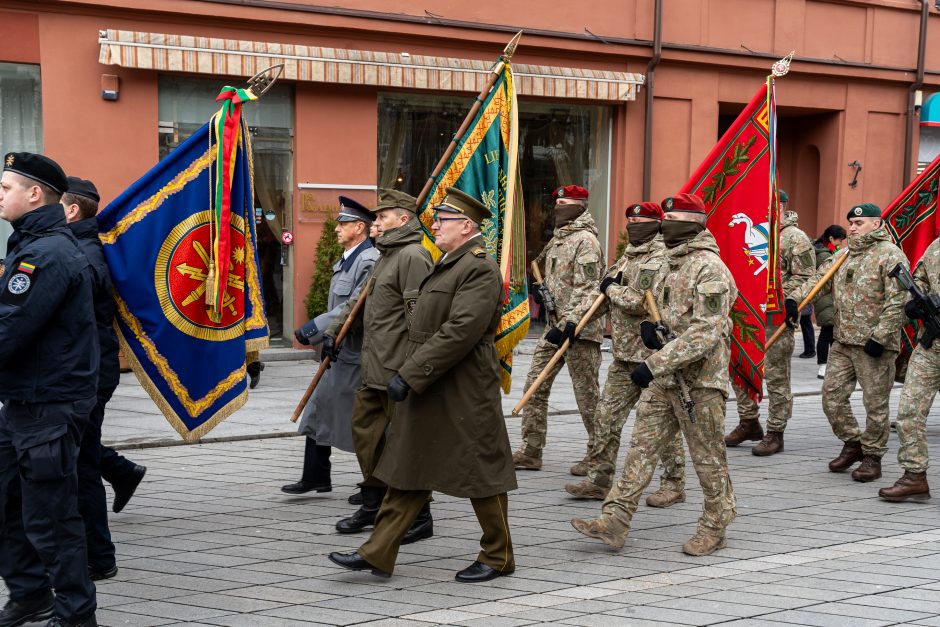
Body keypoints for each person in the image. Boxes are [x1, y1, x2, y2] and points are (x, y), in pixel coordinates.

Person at [328, 188, 516, 582]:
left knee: (481, 471)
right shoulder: (447, 262)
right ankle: (378, 552)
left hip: (463, 388)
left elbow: (459, 332)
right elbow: (421, 325)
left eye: (443, 220)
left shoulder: (479, 268)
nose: (434, 225)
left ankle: (498, 555)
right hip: (430, 382)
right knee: (407, 464)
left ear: (466, 226)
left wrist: (409, 374)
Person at [571, 193, 737, 557]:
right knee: (642, 448)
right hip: (665, 379)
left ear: (694, 222)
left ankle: (715, 524)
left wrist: (655, 362)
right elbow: (655, 307)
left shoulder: (710, 268)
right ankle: (614, 519)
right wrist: (652, 330)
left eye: (676, 216)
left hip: (700, 382)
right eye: (667, 216)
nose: (668, 222)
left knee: (708, 457)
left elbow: (707, 332)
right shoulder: (667, 264)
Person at [0, 153, 99, 626]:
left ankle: (76, 613)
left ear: (34, 194)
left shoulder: (48, 254)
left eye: (5, 188)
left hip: (49, 405)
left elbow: (10, 327)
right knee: (7, 502)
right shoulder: (32, 244)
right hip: (24, 399)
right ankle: (30, 592)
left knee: (51, 517)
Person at [564, 202, 686, 508]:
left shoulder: (661, 258)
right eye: (630, 221)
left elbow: (644, 301)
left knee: (662, 426)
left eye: (640, 221)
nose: (633, 226)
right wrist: (572, 322)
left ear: (656, 224)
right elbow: (599, 297)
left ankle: (673, 484)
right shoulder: (626, 258)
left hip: (652, 358)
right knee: (606, 418)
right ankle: (599, 480)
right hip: (622, 355)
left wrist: (612, 291)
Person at [329, 189, 434, 543]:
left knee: (402, 444)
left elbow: (420, 317)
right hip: (373, 366)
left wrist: (412, 370)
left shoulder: (412, 256)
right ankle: (373, 501)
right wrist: (333, 332)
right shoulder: (386, 256)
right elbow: (358, 303)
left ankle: (420, 516)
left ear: (403, 220)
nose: (374, 223)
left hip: (397, 368)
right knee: (367, 436)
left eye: (382, 217)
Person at [62, 177, 145, 582]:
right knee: (82, 455)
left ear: (72, 210)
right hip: (89, 368)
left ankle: (99, 556)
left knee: (81, 463)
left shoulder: (84, 252)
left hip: (90, 371)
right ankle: (122, 471)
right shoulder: (78, 245)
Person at [794, 203, 907, 481]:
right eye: (851, 224)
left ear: (876, 224)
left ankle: (873, 456)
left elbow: (899, 300)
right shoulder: (843, 255)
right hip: (843, 341)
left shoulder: (890, 255)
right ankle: (853, 442)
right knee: (831, 397)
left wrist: (880, 337)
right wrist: (792, 300)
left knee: (875, 404)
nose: (853, 228)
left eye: (860, 223)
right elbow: (818, 281)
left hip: (874, 344)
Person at [284, 198, 379, 495]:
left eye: (343, 224)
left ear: (360, 228)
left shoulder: (369, 261)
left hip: (355, 355)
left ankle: (374, 487)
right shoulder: (348, 258)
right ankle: (315, 476)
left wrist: (313, 328)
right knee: (317, 410)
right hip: (336, 352)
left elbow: (354, 309)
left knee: (364, 423)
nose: (336, 229)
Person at [514, 185, 605, 474]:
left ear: (579, 205)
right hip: (554, 326)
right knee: (534, 386)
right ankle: (531, 449)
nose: (558, 207)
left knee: (587, 397)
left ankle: (599, 455)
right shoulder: (558, 239)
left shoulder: (586, 241)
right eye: (557, 203)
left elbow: (589, 290)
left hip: (580, 331)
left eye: (565, 203)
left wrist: (571, 323)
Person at [724, 198, 815, 456]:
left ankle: (776, 431)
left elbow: (806, 276)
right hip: (744, 315)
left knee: (776, 376)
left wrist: (783, 298)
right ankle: (749, 421)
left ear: (782, 206)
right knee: (739, 367)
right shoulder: (750, 230)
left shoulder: (794, 237)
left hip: (774, 319)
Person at [878, 234, 938, 502]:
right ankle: (914, 476)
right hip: (931, 347)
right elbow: (919, 280)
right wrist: (915, 305)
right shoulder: (936, 247)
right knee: (909, 411)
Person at [813, 225, 847, 379]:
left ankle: (831, 365)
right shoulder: (823, 254)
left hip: (831, 297)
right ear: (831, 239)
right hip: (825, 297)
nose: (840, 245)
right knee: (827, 332)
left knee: (832, 333)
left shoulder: (829, 251)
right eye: (839, 241)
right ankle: (822, 366)